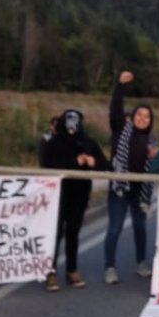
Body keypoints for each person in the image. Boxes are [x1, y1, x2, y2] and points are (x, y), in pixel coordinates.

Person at [40, 109, 107, 292]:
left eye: (75, 121)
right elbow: (47, 162)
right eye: (68, 121)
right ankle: (50, 271)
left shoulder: (87, 141)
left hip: (80, 193)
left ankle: (72, 270)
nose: (71, 126)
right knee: (55, 233)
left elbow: (105, 165)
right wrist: (73, 161)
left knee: (73, 232)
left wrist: (93, 161)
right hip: (58, 194)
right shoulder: (55, 142)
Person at [105, 70, 157, 285]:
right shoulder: (121, 130)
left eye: (146, 117)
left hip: (139, 191)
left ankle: (141, 263)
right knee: (115, 227)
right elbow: (115, 110)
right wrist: (120, 86)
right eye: (139, 115)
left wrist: (158, 156)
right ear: (132, 117)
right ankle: (110, 267)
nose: (142, 119)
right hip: (119, 188)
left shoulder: (151, 140)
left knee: (140, 227)